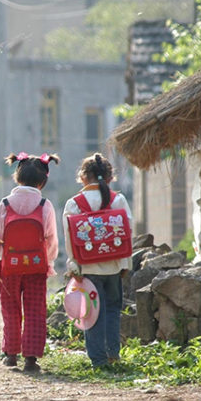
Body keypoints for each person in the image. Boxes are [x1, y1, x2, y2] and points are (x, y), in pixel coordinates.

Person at [0, 152, 60, 373]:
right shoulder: (45, 205)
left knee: (11, 308)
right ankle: (31, 359)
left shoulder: (5, 203)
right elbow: (51, 238)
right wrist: (50, 263)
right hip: (36, 267)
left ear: (17, 176)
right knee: (35, 310)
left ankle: (11, 354)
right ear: (43, 181)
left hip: (10, 266)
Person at [62, 152, 132, 369]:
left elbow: (69, 238)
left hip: (87, 267)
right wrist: (125, 264)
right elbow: (127, 233)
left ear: (83, 177)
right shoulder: (117, 200)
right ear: (110, 178)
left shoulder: (74, 204)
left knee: (91, 314)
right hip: (113, 266)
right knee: (112, 309)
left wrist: (74, 265)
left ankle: (98, 361)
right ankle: (113, 354)